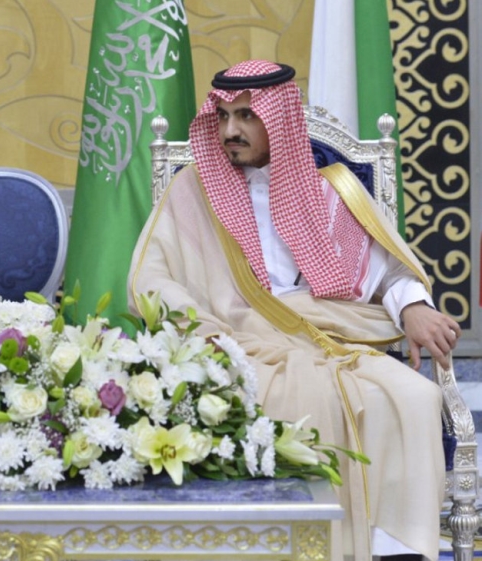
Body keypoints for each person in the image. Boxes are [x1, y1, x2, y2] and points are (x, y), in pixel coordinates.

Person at [128, 60, 460, 561]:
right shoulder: (193, 192)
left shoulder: (330, 189)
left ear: (279, 119)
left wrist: (412, 305)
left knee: (415, 397)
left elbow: (385, 268)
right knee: (284, 396)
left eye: (246, 116)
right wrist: (201, 330)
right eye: (221, 117)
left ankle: (389, 548)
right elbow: (151, 279)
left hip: (330, 338)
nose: (230, 131)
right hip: (234, 342)